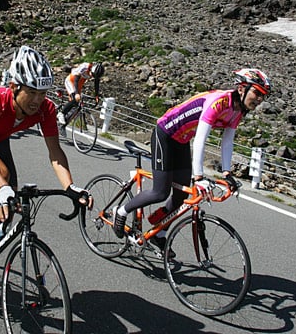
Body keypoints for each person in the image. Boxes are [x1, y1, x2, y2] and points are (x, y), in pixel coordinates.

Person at [0, 45, 92, 264]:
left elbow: (55, 153)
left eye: (42, 93)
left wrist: (70, 187)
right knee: (0, 176)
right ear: (14, 87)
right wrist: (1, 188)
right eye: (32, 92)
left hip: (0, 140)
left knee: (12, 200)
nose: (37, 100)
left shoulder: (45, 109)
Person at [112, 68, 272, 254]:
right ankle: (121, 211)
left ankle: (159, 234)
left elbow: (227, 141)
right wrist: (198, 177)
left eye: (263, 96)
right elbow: (201, 140)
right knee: (160, 192)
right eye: (257, 93)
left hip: (181, 140)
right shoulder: (219, 102)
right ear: (242, 88)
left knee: (181, 196)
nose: (259, 100)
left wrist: (227, 173)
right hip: (165, 134)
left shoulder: (239, 111)